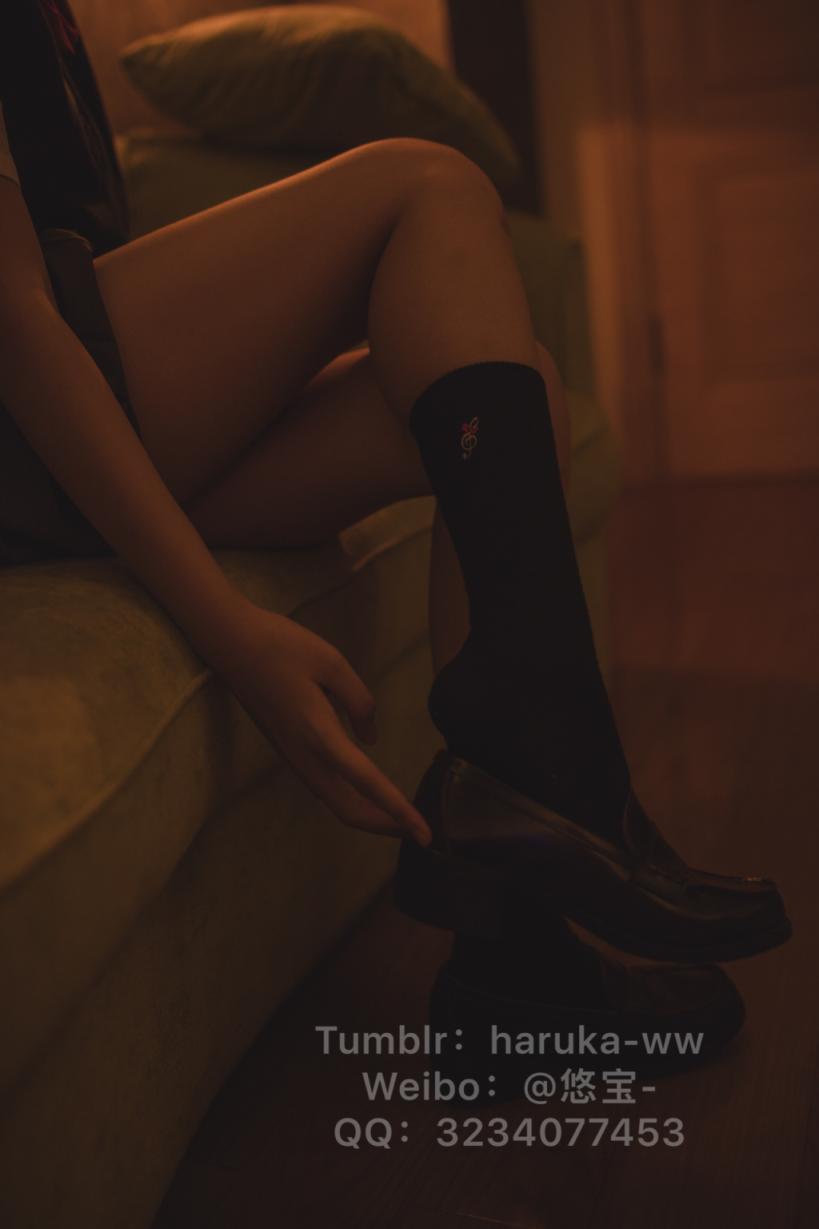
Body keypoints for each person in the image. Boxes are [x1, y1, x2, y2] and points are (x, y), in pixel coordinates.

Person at [0, 0, 791, 1086]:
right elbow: (16, 318)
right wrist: (233, 634)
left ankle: (516, 970)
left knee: (514, 398)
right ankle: (563, 786)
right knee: (424, 182)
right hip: (25, 428)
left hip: (60, 435)